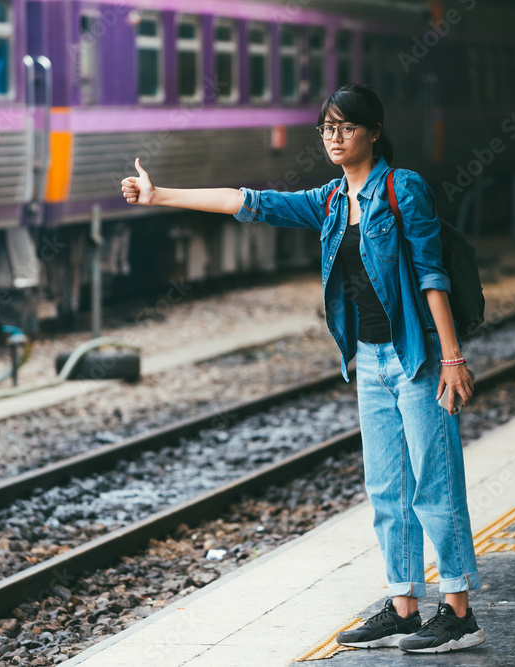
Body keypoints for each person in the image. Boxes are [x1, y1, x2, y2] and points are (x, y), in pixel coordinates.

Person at [121, 83, 484, 654]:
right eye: (326, 129)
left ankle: (459, 611)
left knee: (434, 487)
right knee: (388, 489)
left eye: (345, 128)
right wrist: (158, 193)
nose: (334, 138)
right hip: (369, 359)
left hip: (416, 359)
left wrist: (451, 358)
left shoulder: (402, 188)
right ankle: (403, 606)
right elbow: (249, 201)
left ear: (374, 132)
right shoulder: (332, 201)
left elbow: (432, 276)